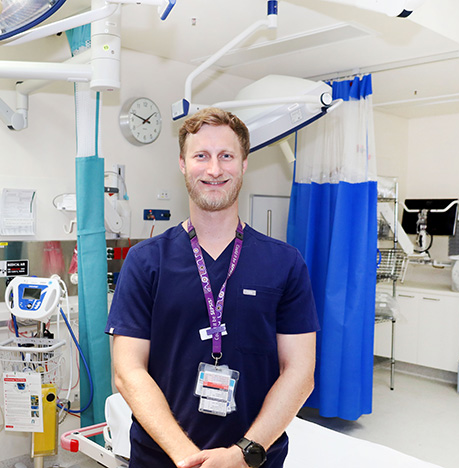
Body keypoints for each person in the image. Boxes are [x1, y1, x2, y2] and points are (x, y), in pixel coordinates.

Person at [105, 107, 318, 468]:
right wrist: (187, 457)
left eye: (226, 156)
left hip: (255, 459)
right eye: (201, 156)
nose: (214, 169)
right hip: (162, 458)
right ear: (183, 164)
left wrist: (243, 453)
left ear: (244, 164)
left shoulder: (285, 263)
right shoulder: (145, 262)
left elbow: (300, 373)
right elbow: (128, 371)